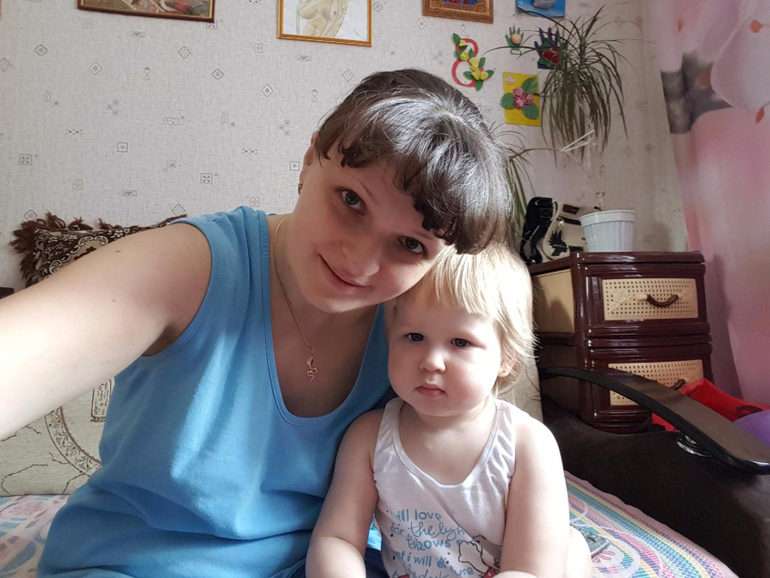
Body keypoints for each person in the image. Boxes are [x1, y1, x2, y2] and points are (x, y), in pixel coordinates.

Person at [0, 69, 514, 577]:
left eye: (410, 244)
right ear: (309, 160)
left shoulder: (418, 322)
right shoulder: (188, 265)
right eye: (351, 200)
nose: (360, 264)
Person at [306, 245, 592, 578]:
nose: (431, 361)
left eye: (460, 342)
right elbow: (338, 538)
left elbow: (529, 570)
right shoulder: (368, 438)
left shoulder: (527, 444)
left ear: (506, 357)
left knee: (570, 551)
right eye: (414, 336)